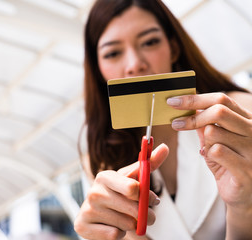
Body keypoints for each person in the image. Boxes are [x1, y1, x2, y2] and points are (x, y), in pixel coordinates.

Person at [73, 0, 252, 239]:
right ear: (99, 70)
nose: (135, 64)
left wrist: (245, 207)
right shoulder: (102, 160)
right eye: (113, 53)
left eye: (150, 42)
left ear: (174, 48)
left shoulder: (239, 110)